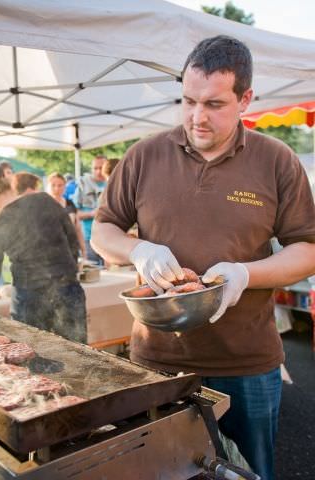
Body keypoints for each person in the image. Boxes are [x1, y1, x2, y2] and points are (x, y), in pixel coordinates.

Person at [91, 35, 315, 480]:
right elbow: (102, 231)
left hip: (247, 364)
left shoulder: (277, 161)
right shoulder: (143, 156)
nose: (197, 117)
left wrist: (244, 274)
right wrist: (139, 249)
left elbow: (307, 250)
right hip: (157, 362)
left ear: (245, 99)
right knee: (162, 473)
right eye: (188, 101)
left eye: (214, 104)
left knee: (250, 473)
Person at [0, 161, 87, 342]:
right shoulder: (45, 200)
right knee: (79, 354)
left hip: (29, 298)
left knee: (34, 357)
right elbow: (72, 241)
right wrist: (70, 272)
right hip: (68, 290)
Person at [72, 154, 107, 264]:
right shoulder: (82, 185)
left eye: (101, 168)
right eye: (95, 168)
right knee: (94, 274)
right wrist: (92, 213)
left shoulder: (113, 183)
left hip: (110, 238)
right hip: (89, 238)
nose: (98, 171)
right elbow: (74, 214)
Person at [46, 172, 86, 260]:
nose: (56, 188)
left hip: (71, 250)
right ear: (48, 186)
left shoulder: (70, 204)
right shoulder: (43, 205)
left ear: (65, 187)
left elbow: (77, 229)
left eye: (60, 185)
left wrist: (83, 250)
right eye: (53, 185)